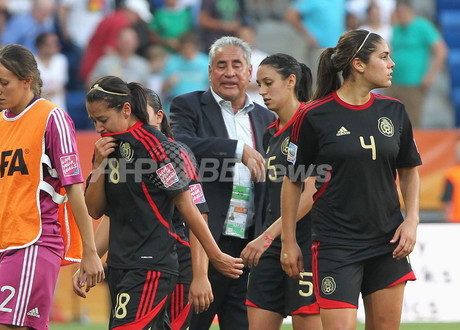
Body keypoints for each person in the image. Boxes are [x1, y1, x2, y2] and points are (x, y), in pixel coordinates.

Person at [280, 29, 421, 330]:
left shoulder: (394, 111)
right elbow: (292, 181)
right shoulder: (312, 115)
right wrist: (289, 241)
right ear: (358, 64)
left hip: (388, 243)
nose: (391, 63)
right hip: (335, 246)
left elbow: (409, 170)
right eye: (383, 57)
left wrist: (411, 220)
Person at [0, 44, 104, 330]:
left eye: (4, 82)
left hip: (35, 242)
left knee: (1, 327)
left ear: (27, 81)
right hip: (4, 245)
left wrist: (90, 251)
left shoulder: (52, 118)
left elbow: (73, 187)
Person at [83, 76, 243, 329]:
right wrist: (91, 256)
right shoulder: (108, 148)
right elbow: (100, 212)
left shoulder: (168, 152)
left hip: (164, 262)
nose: (99, 127)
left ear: (157, 116)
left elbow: (194, 210)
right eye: (94, 121)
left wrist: (205, 269)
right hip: (122, 263)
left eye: (102, 120)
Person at [170, 36, 276, 330]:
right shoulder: (188, 105)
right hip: (202, 240)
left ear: (249, 72)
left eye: (236, 65)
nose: (229, 72)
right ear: (210, 72)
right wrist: (238, 150)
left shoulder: (267, 117)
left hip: (248, 246)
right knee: (189, 323)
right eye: (221, 65)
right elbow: (181, 145)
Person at [240, 53, 321, 330]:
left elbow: (309, 193)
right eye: (259, 84)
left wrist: (267, 237)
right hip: (272, 245)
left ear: (290, 81)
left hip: (307, 244)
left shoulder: (313, 123)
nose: (261, 91)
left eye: (268, 83)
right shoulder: (270, 133)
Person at [385, 0, 448, 128]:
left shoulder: (423, 26)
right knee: (389, 119)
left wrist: (430, 75)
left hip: (414, 83)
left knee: (412, 121)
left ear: (410, 11)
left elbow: (441, 50)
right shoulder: (396, 28)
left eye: (402, 12)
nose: (400, 16)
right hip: (393, 81)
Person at [35, 32, 69, 111]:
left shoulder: (61, 60)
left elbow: (63, 86)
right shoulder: (32, 62)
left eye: (56, 44)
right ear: (40, 46)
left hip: (59, 108)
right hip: (39, 108)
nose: (55, 47)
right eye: (50, 44)